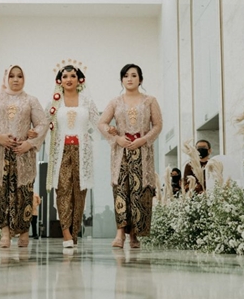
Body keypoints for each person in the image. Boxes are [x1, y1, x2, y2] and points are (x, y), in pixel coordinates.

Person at [0, 65, 47, 248]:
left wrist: (30, 142)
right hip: (0, 154)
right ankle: (5, 233)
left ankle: (24, 232)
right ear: (6, 78)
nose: (16, 79)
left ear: (24, 79)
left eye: (19, 76)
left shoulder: (31, 100)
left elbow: (42, 123)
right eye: (12, 76)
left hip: (22, 154)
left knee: (24, 193)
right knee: (1, 193)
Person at [98, 64, 163, 249]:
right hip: (121, 153)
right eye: (126, 76)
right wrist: (116, 138)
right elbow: (102, 123)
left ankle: (135, 234)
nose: (129, 79)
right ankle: (120, 233)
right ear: (121, 80)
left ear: (140, 79)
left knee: (139, 192)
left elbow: (158, 125)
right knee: (121, 190)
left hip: (143, 153)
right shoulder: (115, 102)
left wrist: (144, 140)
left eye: (134, 75)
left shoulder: (150, 101)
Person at [46, 62, 100, 249]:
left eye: (72, 76)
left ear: (79, 80)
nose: (69, 79)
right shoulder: (55, 102)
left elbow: (99, 122)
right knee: (63, 190)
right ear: (59, 80)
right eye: (65, 76)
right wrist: (32, 135)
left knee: (79, 192)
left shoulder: (87, 102)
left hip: (82, 151)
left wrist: (113, 132)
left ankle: (74, 231)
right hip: (61, 151)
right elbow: (43, 123)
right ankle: (66, 233)